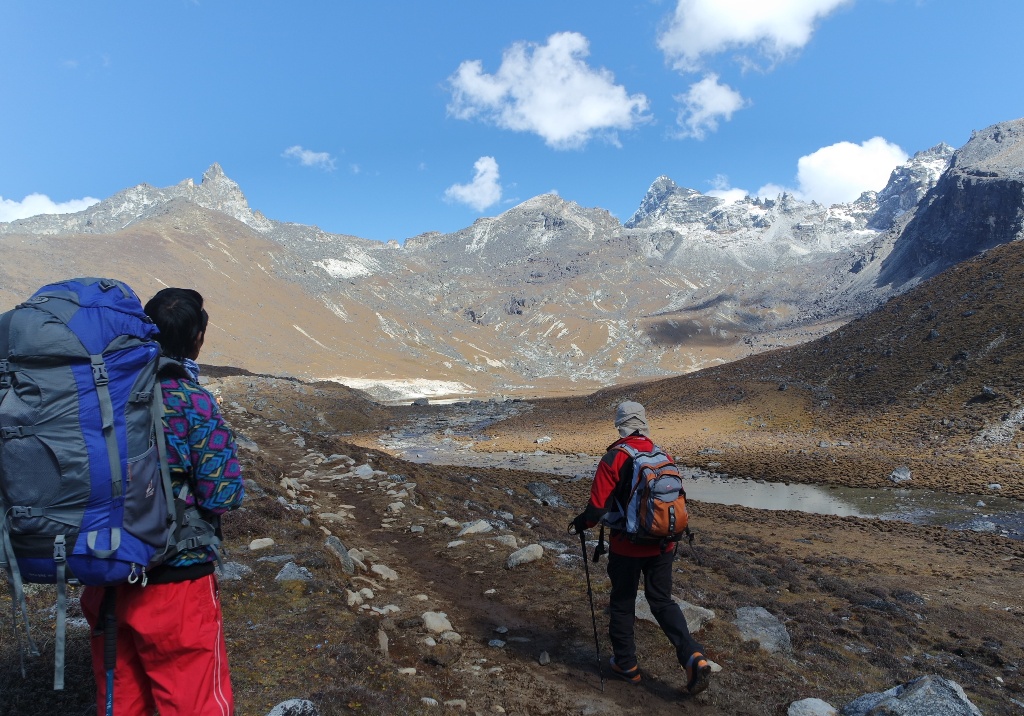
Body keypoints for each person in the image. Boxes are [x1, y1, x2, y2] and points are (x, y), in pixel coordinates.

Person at [81, 287, 245, 715]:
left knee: (121, 701)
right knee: (193, 699)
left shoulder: (96, 396)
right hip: (176, 576)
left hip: (104, 567)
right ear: (198, 339)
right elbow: (223, 494)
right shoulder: (191, 400)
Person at [572, 401, 711, 695]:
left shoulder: (614, 458)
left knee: (622, 603)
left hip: (627, 547)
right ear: (644, 423)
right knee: (662, 601)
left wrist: (580, 524)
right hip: (663, 545)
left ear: (619, 425)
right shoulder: (662, 454)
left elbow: (596, 512)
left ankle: (627, 666)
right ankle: (692, 655)